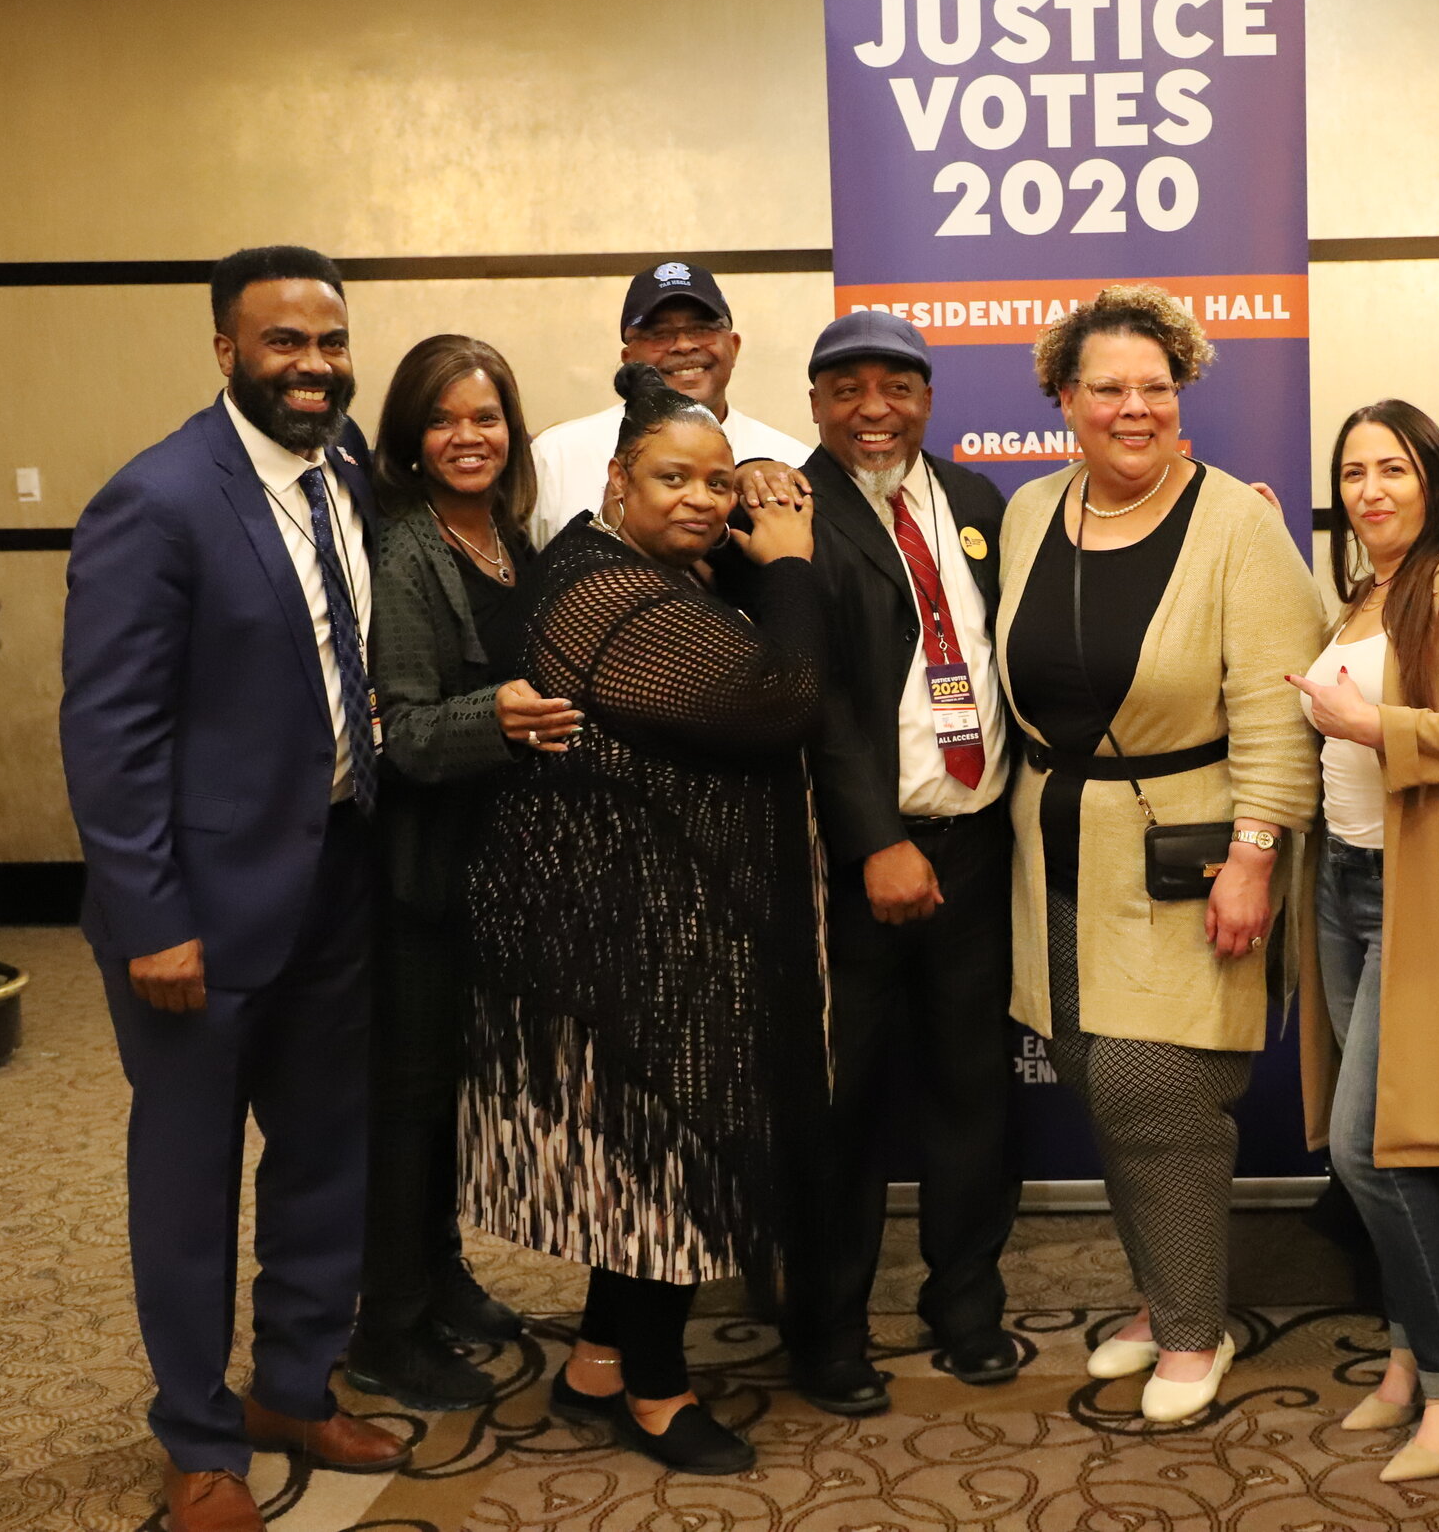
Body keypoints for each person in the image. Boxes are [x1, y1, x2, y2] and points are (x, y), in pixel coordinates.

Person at [59, 246, 409, 1532]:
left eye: (329, 341)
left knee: (325, 1154)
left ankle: (294, 1384)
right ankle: (199, 1436)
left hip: (334, 873)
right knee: (192, 1173)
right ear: (225, 351)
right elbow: (108, 735)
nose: (312, 366)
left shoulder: (347, 471)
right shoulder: (155, 499)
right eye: (283, 344)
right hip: (196, 916)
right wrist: (154, 917)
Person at [460, 362, 828, 1476]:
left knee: (645, 1160)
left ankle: (600, 1359)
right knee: (666, 1168)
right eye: (674, 476)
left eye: (721, 483)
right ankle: (659, 1391)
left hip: (646, 926)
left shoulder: (639, 570)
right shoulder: (604, 594)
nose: (703, 499)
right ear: (618, 480)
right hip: (623, 936)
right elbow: (776, 700)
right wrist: (795, 568)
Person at [997, 284, 1323, 1425]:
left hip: (1195, 836)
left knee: (1160, 1085)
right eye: (1108, 389)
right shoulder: (1033, 509)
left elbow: (1280, 710)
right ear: (1064, 401)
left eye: (1156, 387)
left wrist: (1254, 855)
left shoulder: (1238, 521)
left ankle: (1194, 1328)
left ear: (1179, 395)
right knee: (1093, 1067)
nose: (1134, 409)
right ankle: (1162, 1290)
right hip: (1061, 846)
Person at [737, 313, 1021, 1414]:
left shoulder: (977, 504)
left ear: (927, 396)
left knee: (971, 1092)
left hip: (978, 845)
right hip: (852, 866)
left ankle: (966, 1304)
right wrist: (877, 840)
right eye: (845, 388)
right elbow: (813, 702)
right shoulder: (781, 513)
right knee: (841, 1109)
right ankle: (828, 1330)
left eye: (895, 386)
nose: (872, 408)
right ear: (813, 403)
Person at [1287, 401, 1439, 1481]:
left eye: (1392, 468)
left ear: (1432, 478)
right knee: (1382, 1137)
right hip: (1342, 882)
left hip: (1415, 892)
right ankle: (1402, 1352)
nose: (1371, 489)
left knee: (1374, 1148)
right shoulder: (1360, 594)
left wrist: (1375, 725)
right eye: (1352, 472)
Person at [347, 335, 572, 1410]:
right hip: (422, 871)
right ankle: (387, 1326)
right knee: (409, 1098)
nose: (468, 437)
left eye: (485, 417)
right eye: (444, 419)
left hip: (493, 867)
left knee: (451, 1095)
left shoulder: (505, 535)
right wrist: (503, 718)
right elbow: (403, 733)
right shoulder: (407, 548)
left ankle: (437, 1275)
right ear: (409, 438)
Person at [526, 260, 809, 544]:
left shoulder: (793, 462)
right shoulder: (557, 457)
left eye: (701, 329)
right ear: (628, 359)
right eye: (659, 335)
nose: (684, 345)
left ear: (733, 347)